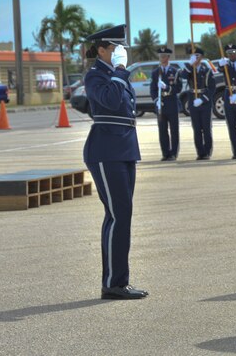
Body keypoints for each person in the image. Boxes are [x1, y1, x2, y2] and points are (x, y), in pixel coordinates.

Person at [82, 25, 147, 300]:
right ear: (101, 50)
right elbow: (109, 101)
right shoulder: (95, 76)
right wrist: (120, 71)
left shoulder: (113, 75)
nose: (121, 53)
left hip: (123, 149)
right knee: (117, 215)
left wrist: (119, 73)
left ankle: (119, 280)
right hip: (106, 149)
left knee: (124, 215)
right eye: (115, 49)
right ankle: (112, 283)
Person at [181, 46, 216, 160]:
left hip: (204, 101)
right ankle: (200, 152)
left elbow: (212, 88)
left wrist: (203, 99)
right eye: (193, 56)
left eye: (197, 56)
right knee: (196, 128)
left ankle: (207, 151)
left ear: (201, 57)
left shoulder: (207, 70)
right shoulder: (189, 69)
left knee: (206, 128)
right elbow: (183, 76)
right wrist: (190, 65)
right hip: (193, 99)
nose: (195, 58)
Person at [150, 47, 182, 161]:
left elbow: (178, 88)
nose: (162, 58)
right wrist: (156, 100)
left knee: (174, 130)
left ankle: (173, 153)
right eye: (160, 56)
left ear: (168, 57)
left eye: (164, 56)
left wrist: (166, 87)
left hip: (172, 103)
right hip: (161, 105)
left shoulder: (175, 71)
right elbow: (152, 90)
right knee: (162, 130)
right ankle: (165, 153)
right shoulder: (155, 72)